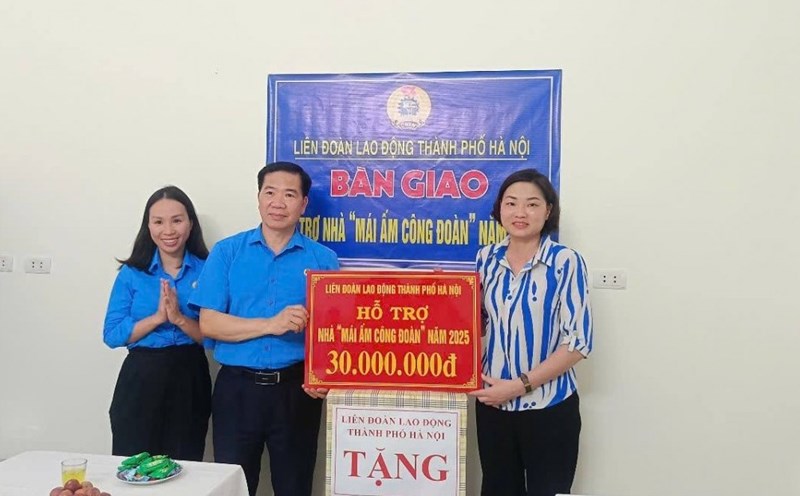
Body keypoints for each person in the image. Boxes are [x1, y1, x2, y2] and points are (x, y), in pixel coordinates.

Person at [189, 161, 339, 496]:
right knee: (234, 487)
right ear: (258, 197)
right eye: (269, 192)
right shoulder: (227, 252)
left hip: (297, 392)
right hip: (236, 391)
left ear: (303, 204)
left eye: (289, 194)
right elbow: (209, 323)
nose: (277, 202)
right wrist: (272, 324)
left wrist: (325, 375)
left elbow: (333, 335)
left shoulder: (323, 260)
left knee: (295, 485)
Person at [469, 169, 593, 496]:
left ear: (548, 211)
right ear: (499, 210)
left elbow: (578, 343)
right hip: (494, 405)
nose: (520, 213)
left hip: (549, 408)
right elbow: (477, 322)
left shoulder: (566, 262)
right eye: (511, 203)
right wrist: (446, 300)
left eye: (532, 204)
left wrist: (519, 385)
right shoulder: (486, 259)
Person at [103, 185, 212, 461]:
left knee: (184, 466)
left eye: (177, 220)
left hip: (189, 375)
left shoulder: (209, 270)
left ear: (190, 225)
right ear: (148, 226)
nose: (168, 230)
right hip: (141, 375)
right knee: (133, 466)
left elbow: (214, 337)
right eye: (158, 221)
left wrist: (179, 319)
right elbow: (112, 334)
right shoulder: (132, 273)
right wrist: (157, 319)